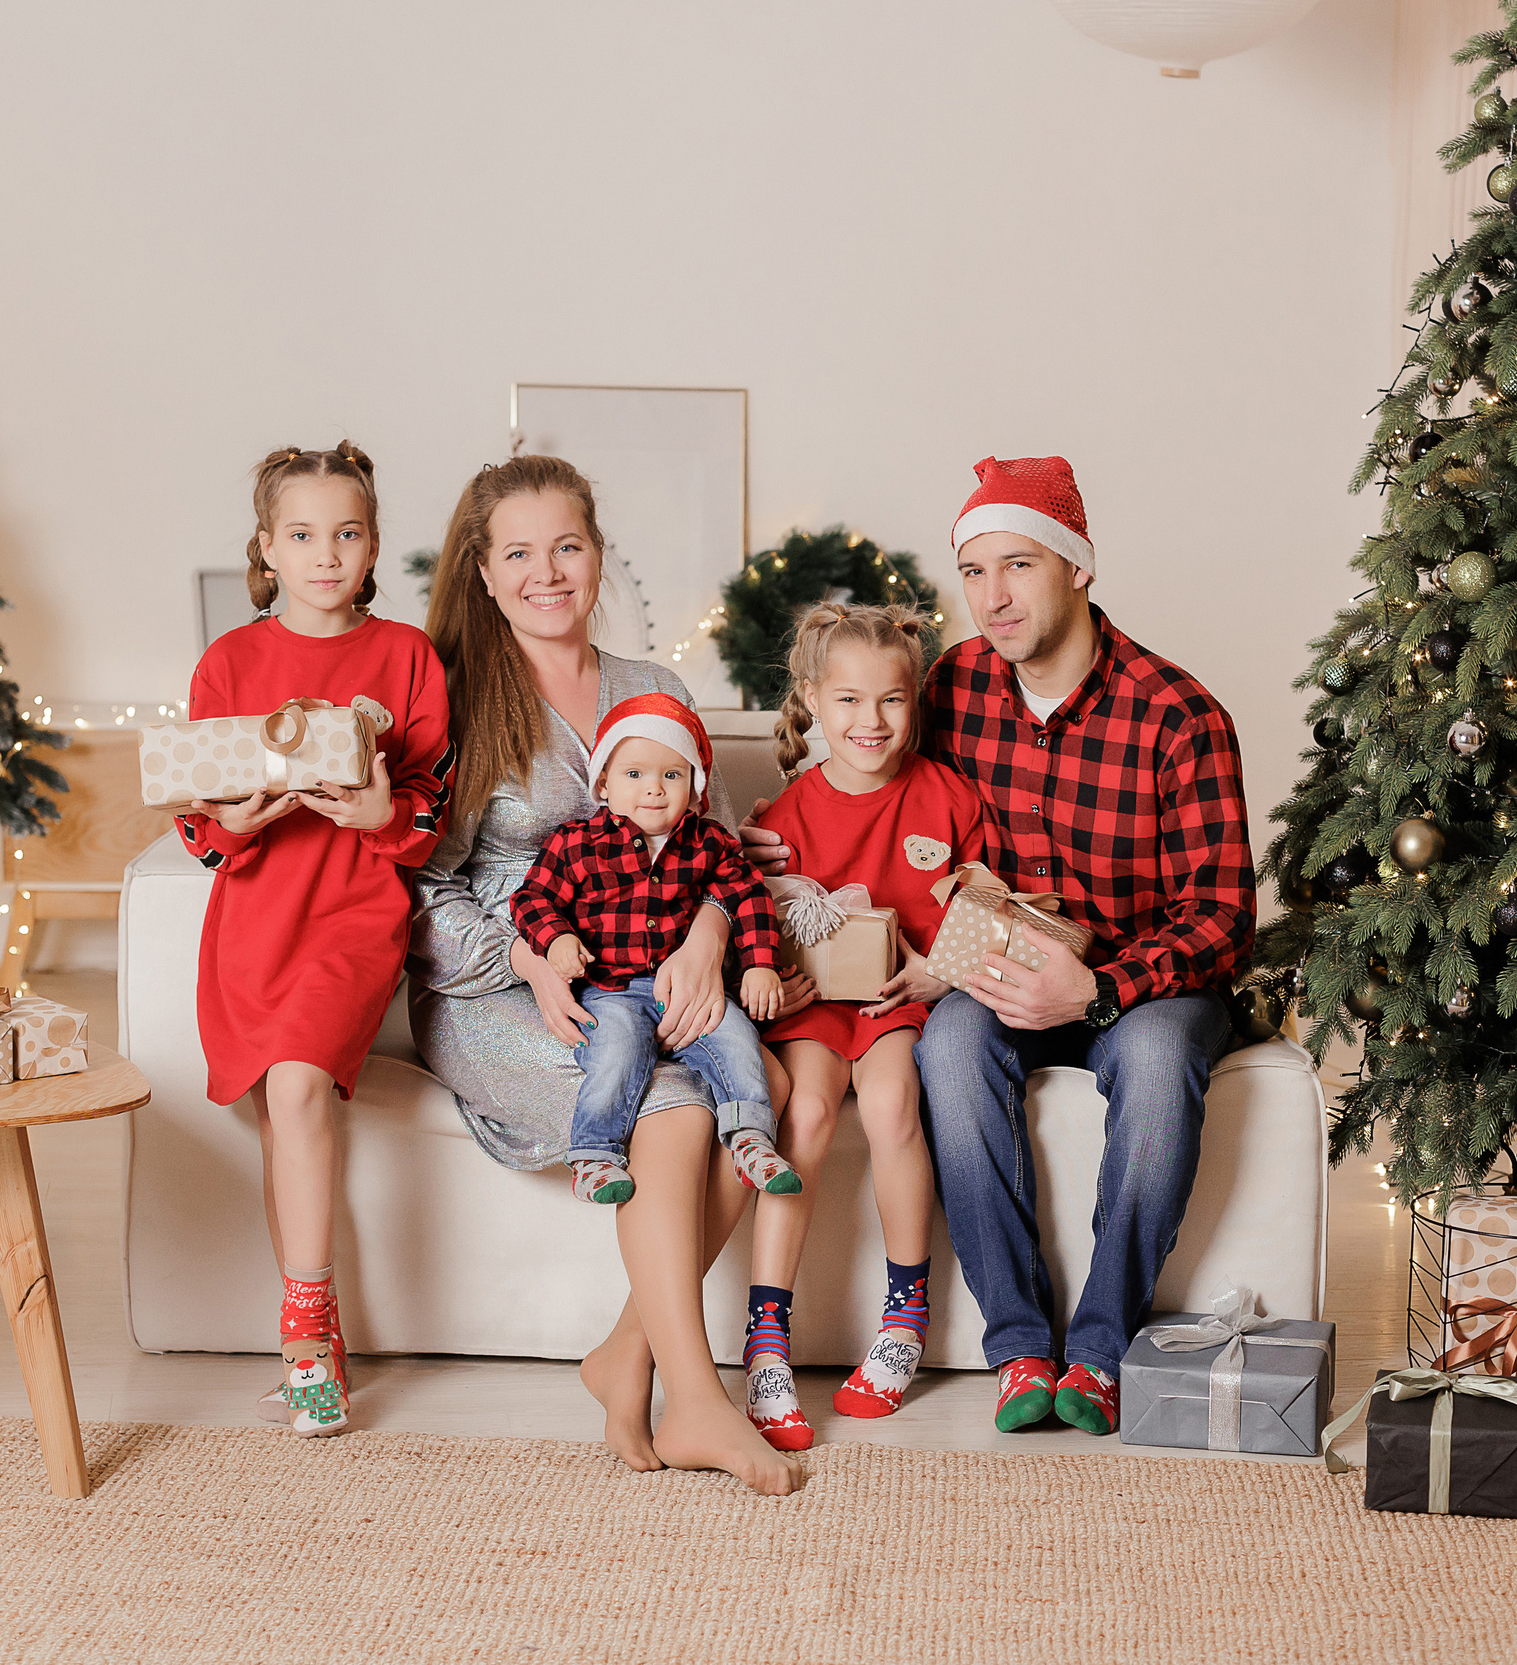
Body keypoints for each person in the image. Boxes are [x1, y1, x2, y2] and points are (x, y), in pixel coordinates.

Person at [742, 456, 1254, 1437]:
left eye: (1016, 566)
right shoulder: (952, 684)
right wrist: (774, 838)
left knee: (1151, 1058)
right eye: (973, 572)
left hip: (1138, 985)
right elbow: (869, 772)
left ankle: (1098, 1352)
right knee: (949, 1047)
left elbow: (1223, 915)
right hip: (992, 968)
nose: (993, 597)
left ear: (1077, 568)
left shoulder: (1177, 716)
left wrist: (1099, 990)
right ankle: (1020, 1349)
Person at [406, 454, 807, 1495]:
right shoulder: (452, 700)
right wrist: (528, 956)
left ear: (597, 556)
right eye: (520, 553)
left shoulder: (656, 688)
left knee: (773, 1092)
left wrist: (711, 939)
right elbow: (417, 893)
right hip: (498, 988)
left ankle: (624, 1356)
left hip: (647, 968)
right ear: (483, 573)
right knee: (673, 1109)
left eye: (568, 547)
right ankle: (701, 1401)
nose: (548, 573)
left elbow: (712, 848)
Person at [176, 441, 454, 1438]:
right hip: (253, 914)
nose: (326, 554)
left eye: (346, 533)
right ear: (267, 546)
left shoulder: (407, 658)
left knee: (296, 1086)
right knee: (274, 1108)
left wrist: (380, 807)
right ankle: (314, 1329)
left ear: (373, 544)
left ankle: (304, 1333)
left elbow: (427, 818)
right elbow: (197, 815)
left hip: (353, 908)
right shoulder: (231, 663)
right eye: (302, 535)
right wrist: (232, 825)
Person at [738, 602, 985, 1450]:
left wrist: (937, 970)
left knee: (889, 1107)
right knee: (803, 1116)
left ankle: (903, 1319)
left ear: (915, 698)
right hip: (815, 1007)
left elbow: (985, 908)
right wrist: (774, 963)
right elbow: (755, 920)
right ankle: (765, 1337)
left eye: (890, 701)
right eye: (846, 701)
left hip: (901, 1002)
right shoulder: (790, 813)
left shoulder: (947, 796)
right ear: (811, 698)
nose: (869, 722)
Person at [513, 693, 799, 1205]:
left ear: (695, 787)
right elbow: (531, 898)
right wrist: (555, 939)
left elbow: (749, 896)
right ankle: (595, 1156)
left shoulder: (709, 843)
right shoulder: (577, 843)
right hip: (610, 989)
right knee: (617, 1051)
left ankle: (751, 1138)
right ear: (603, 783)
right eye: (634, 775)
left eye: (672, 775)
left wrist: (760, 965)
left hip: (683, 988)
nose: (653, 789)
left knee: (736, 1037)